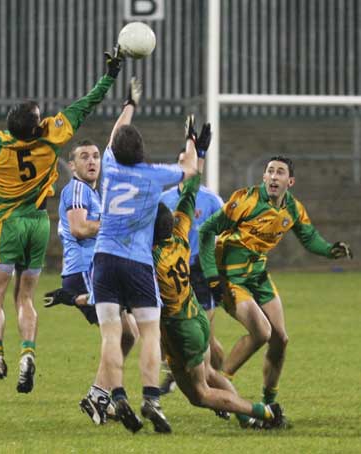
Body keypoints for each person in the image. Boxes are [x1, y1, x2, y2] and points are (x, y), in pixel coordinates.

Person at [0, 48, 124, 394]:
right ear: (35, 125)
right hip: (38, 224)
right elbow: (87, 103)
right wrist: (110, 75)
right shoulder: (53, 136)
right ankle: (28, 355)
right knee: (25, 298)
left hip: (7, 224)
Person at [153, 117, 285, 430]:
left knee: (200, 392)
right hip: (190, 308)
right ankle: (248, 415)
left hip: (184, 317)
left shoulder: (149, 260)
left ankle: (266, 413)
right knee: (209, 373)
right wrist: (196, 149)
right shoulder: (181, 231)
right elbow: (190, 186)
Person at [82, 78, 197, 434]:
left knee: (111, 334)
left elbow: (118, 132)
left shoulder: (110, 169)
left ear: (113, 149)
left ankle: (117, 395)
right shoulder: (153, 175)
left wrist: (129, 104)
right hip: (137, 264)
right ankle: (151, 399)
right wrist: (191, 139)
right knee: (149, 333)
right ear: (142, 150)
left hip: (103, 260)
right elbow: (190, 169)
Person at [199, 156, 353, 408]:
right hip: (231, 277)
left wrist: (329, 250)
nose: (273, 176)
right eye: (269, 171)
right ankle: (220, 385)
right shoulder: (244, 200)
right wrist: (211, 275)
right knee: (261, 332)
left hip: (258, 276)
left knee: (280, 338)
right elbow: (206, 230)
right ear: (263, 177)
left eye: (280, 172)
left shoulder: (292, 208)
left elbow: (309, 236)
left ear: (290, 181)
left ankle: (269, 401)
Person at [43, 139, 139, 423]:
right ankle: (102, 396)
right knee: (117, 333)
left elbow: (114, 140)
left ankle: (100, 394)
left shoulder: (93, 192)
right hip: (84, 272)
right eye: (84, 157)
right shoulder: (76, 189)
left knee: (128, 333)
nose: (92, 161)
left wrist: (129, 107)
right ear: (72, 166)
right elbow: (80, 228)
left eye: (95, 156)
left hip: (96, 272)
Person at [159, 139, 225, 396]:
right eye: (180, 161)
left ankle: (218, 376)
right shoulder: (163, 199)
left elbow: (221, 237)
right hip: (170, 273)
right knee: (169, 331)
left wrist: (217, 273)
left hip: (198, 272)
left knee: (205, 338)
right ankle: (177, 376)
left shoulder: (211, 200)